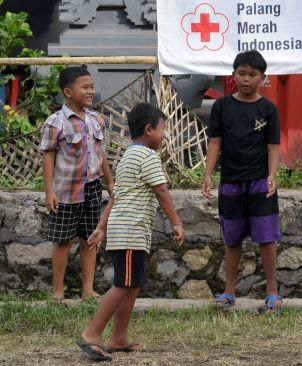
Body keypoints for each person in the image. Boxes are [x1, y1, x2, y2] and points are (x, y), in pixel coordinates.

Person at [76, 103, 184, 361]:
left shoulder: (128, 157)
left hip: (126, 231)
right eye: (163, 129)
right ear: (149, 129)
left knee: (132, 285)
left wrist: (101, 228)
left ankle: (119, 338)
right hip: (130, 231)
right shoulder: (147, 157)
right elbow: (162, 191)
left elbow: (116, 198)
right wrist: (177, 223)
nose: (165, 135)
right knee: (124, 284)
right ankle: (92, 333)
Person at [201, 50, 283, 311]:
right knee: (232, 239)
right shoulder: (222, 106)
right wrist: (208, 174)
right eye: (242, 73)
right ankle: (229, 291)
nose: (246, 79)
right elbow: (215, 142)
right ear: (233, 75)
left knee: (267, 238)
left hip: (260, 181)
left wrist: (272, 175)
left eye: (253, 74)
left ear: (263, 78)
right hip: (231, 182)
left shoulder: (268, 109)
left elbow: (273, 146)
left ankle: (272, 291)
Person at [39, 66, 114, 302]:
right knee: (63, 240)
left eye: (92, 87)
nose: (91, 91)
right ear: (68, 92)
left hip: (92, 187)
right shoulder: (56, 122)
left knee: (90, 238)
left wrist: (110, 183)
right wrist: (49, 191)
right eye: (86, 87)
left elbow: (101, 155)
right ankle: (58, 292)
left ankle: (88, 290)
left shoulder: (96, 121)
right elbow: (48, 155)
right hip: (66, 190)